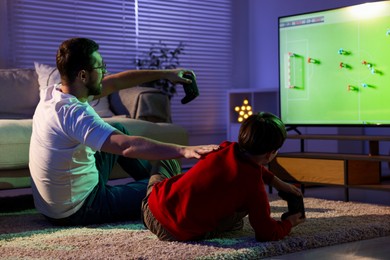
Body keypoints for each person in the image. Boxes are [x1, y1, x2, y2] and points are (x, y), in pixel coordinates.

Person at [29, 37, 219, 226]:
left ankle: (150, 182)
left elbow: (117, 82)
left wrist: (167, 73)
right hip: (77, 209)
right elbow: (128, 146)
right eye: (100, 67)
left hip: (53, 206)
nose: (104, 72)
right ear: (83, 76)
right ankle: (156, 189)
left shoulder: (53, 93)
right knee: (171, 188)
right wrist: (185, 150)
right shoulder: (75, 114)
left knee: (117, 128)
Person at [142, 112, 306, 242]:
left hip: (152, 207)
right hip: (176, 233)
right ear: (270, 154)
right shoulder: (254, 187)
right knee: (238, 216)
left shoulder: (224, 148)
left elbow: (249, 166)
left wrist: (277, 183)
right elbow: (267, 233)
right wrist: (289, 223)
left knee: (165, 161)